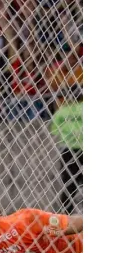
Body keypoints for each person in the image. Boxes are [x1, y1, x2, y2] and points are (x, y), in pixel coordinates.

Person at [50, 85, 83, 214]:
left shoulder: (62, 111)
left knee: (69, 183)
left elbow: (54, 130)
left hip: (68, 149)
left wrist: (69, 133)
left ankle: (66, 214)